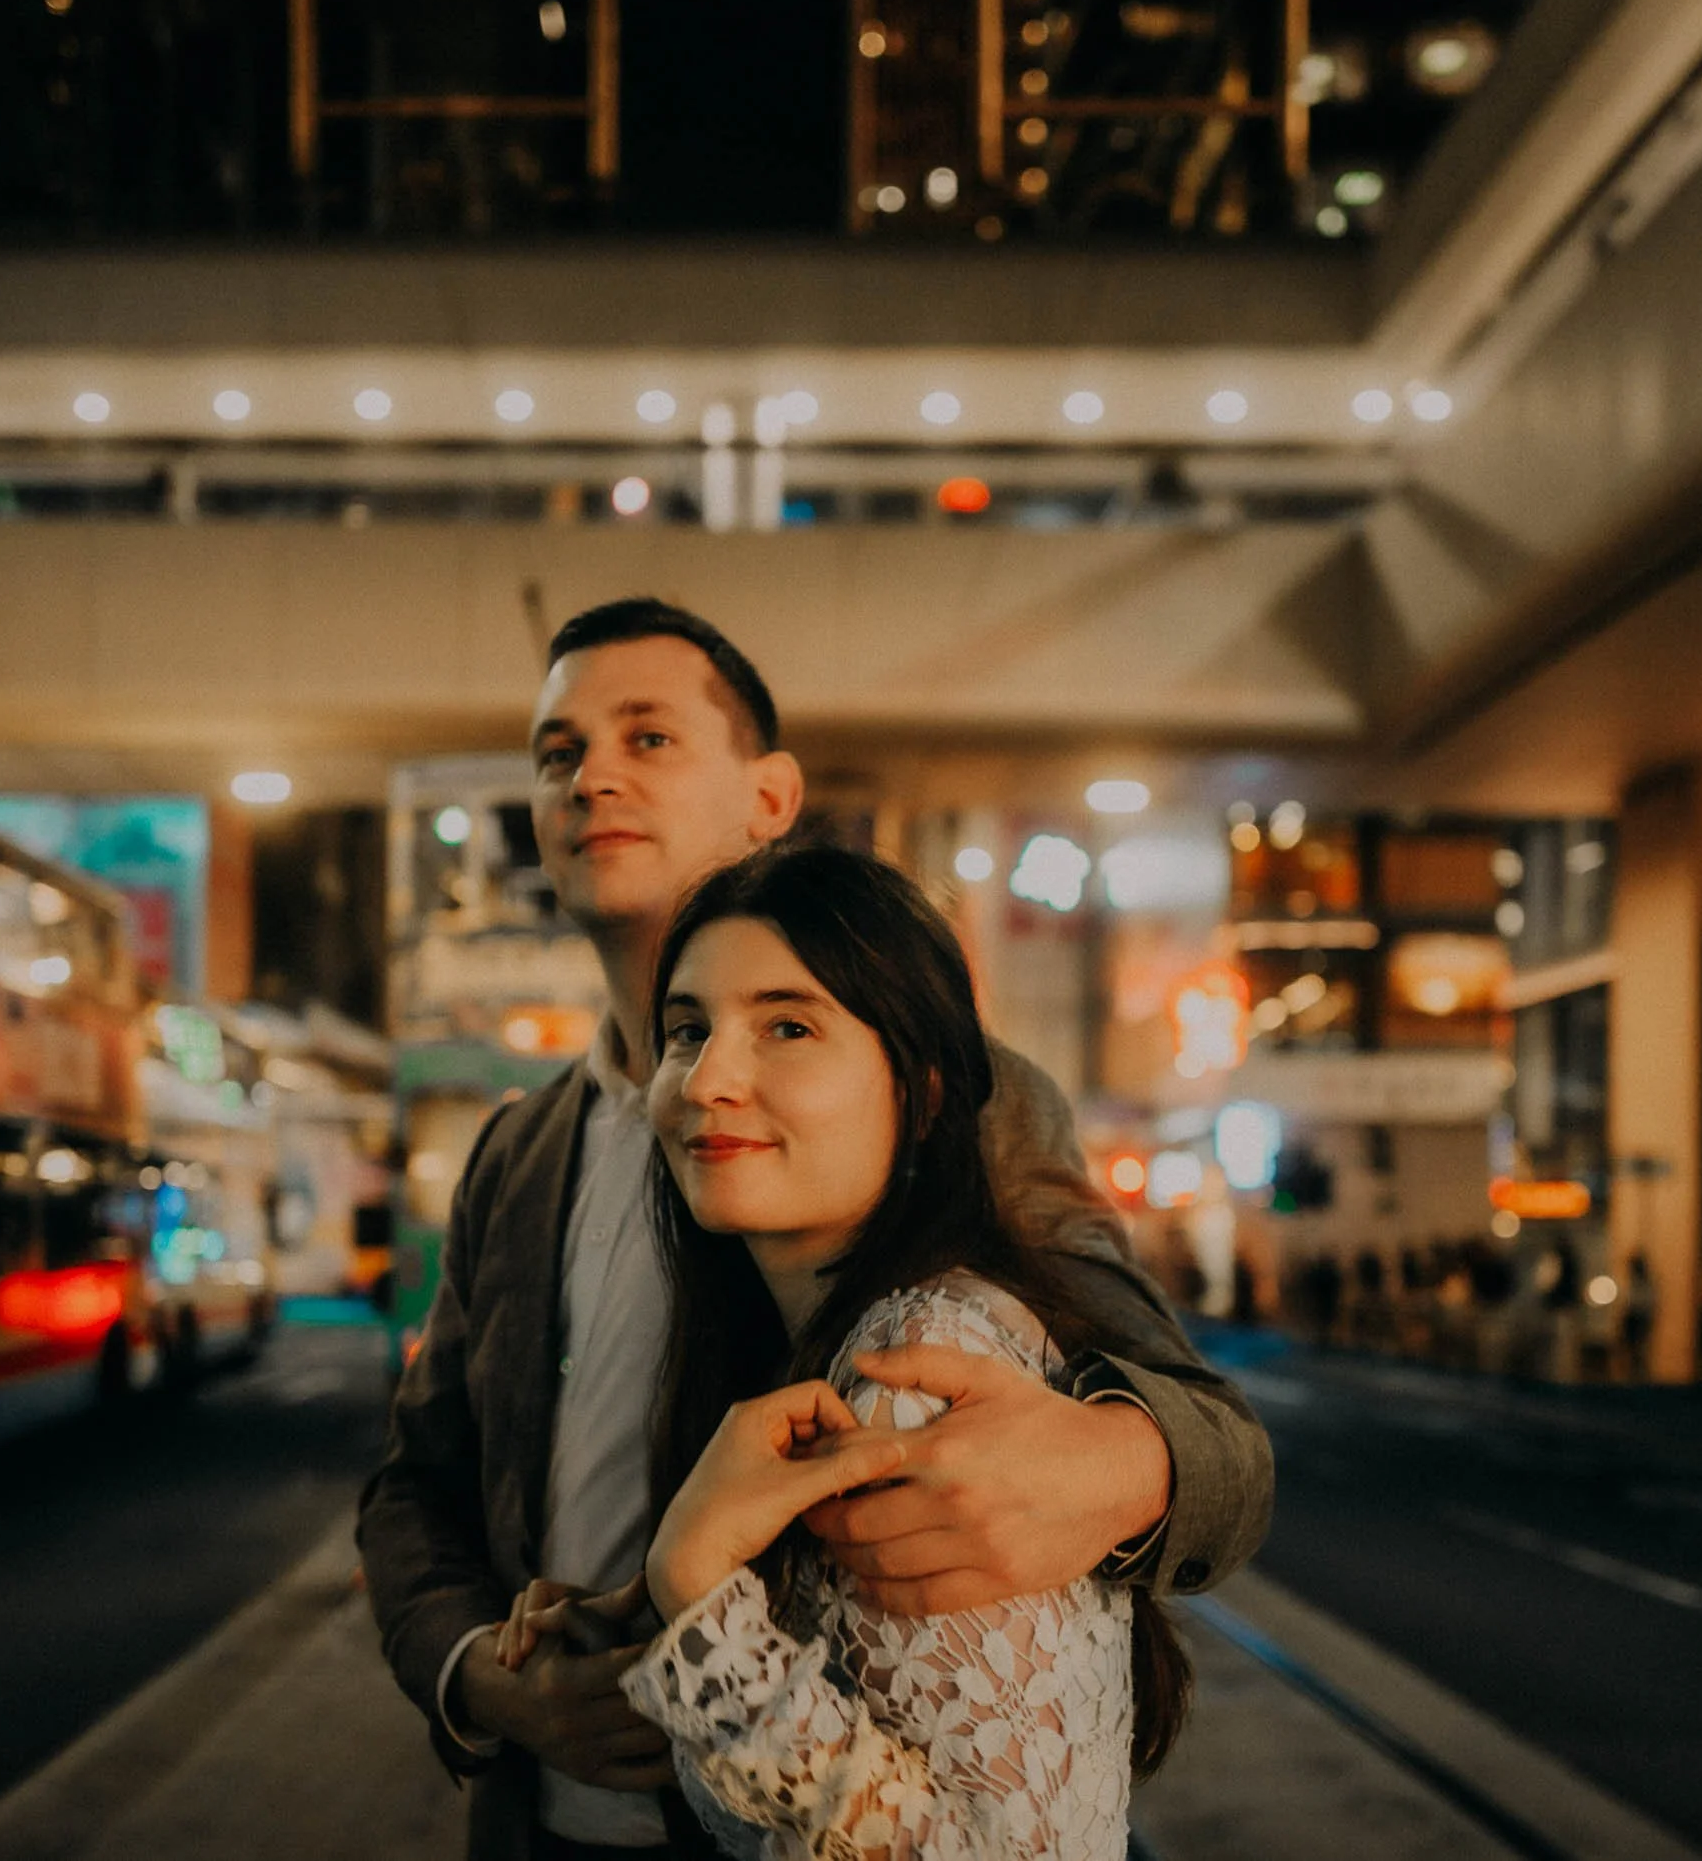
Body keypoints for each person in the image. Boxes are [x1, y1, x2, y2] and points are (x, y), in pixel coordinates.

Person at [358, 599, 1273, 1861]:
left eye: (649, 739)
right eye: (558, 754)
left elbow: (1210, 1431)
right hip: (548, 1817)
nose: (593, 779)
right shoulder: (516, 1153)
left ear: (769, 798)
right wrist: (486, 1679)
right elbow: (419, 1481)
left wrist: (1122, 1464)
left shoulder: (957, 1100)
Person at [502, 844, 1191, 1856]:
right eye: (687, 1030)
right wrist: (654, 1617)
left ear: (917, 1091)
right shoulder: (814, 1344)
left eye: (787, 1026)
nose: (707, 1080)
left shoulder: (918, 1370)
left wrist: (697, 1589)